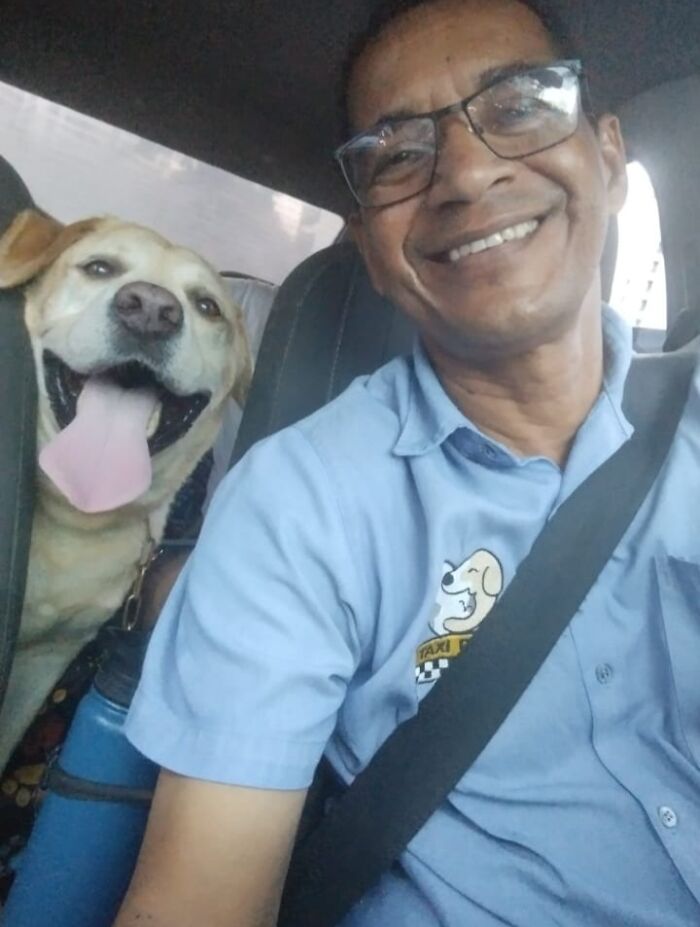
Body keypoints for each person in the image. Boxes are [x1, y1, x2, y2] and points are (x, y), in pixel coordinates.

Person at [114, 1, 700, 924]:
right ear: (370, 255)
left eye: (517, 105)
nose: (466, 173)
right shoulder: (301, 505)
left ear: (612, 159)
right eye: (399, 152)